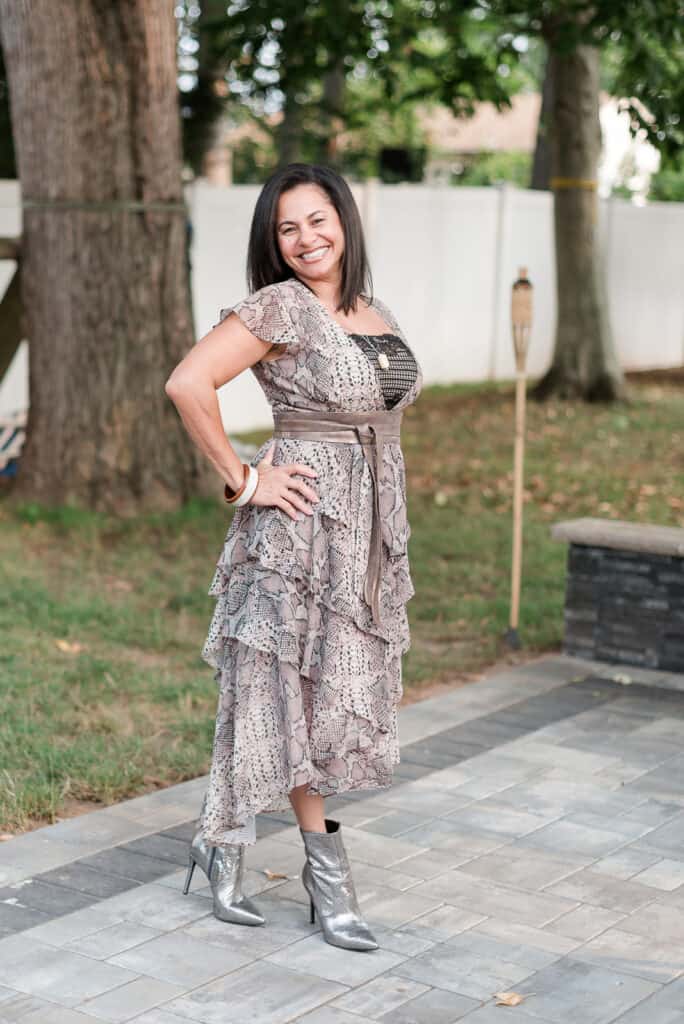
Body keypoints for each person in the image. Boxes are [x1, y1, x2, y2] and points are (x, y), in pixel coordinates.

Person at [165, 162, 423, 952]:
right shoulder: (282, 305)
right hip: (301, 530)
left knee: (307, 691)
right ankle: (328, 884)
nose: (306, 238)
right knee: (293, 691)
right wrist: (245, 480)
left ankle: (220, 842)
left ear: (344, 219)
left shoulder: (371, 310)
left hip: (366, 532)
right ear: (273, 242)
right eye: (287, 228)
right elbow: (187, 382)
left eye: (317, 220)